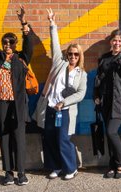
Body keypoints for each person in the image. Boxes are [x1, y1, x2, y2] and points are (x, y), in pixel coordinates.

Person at [0, 5, 33, 186]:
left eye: (11, 43)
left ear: (15, 44)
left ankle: (21, 173)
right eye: (5, 43)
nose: (8, 46)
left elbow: (29, 44)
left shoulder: (21, 58)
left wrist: (24, 23)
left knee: (19, 138)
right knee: (4, 137)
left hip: (17, 105)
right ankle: (9, 173)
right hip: (2, 103)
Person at [34, 9, 88, 181]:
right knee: (49, 138)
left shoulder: (82, 74)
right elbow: (54, 44)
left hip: (65, 111)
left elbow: (80, 94)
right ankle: (55, 167)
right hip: (50, 107)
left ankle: (71, 168)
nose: (72, 56)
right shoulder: (59, 63)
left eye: (76, 54)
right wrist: (52, 24)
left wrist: (64, 102)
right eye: (70, 53)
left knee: (63, 139)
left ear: (79, 56)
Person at [94, 29, 121, 179]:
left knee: (111, 132)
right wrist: (96, 96)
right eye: (114, 40)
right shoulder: (104, 58)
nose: (117, 43)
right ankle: (112, 165)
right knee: (109, 134)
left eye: (119, 40)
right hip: (105, 101)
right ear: (110, 42)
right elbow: (98, 79)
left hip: (120, 102)